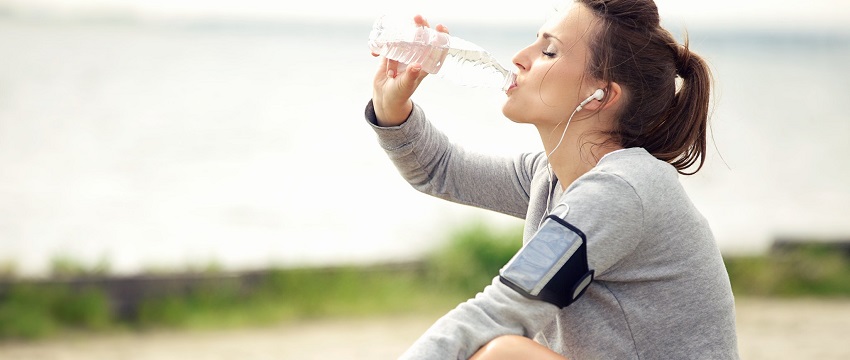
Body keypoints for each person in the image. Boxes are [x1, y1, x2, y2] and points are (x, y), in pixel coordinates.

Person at [365, 0, 739, 359]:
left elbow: (503, 310)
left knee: (504, 354)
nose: (519, 58)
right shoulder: (551, 177)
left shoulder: (621, 192)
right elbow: (440, 170)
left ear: (600, 95)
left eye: (549, 51)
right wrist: (392, 111)